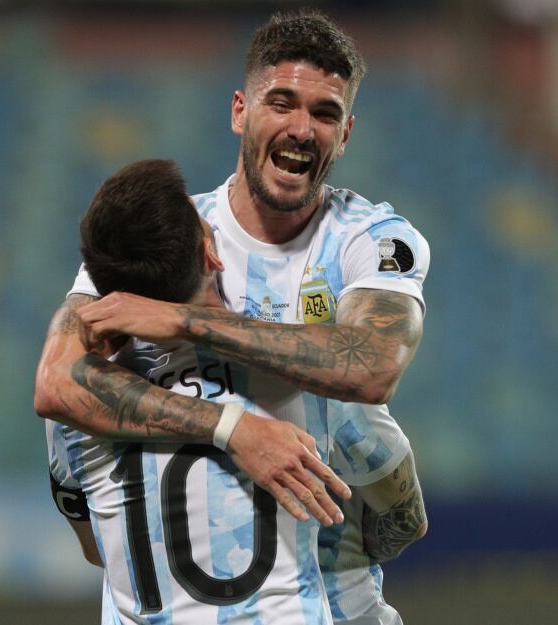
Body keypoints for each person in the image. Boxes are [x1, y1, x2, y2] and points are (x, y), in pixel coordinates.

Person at [37, 10, 429, 624]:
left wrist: (186, 322)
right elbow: (55, 381)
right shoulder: (162, 236)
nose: (302, 129)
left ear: (346, 132)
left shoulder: (370, 238)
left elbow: (374, 366)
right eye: (282, 103)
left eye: (324, 114)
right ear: (239, 111)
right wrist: (235, 431)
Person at [41, 158, 349, 624]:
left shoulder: (77, 401)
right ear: (210, 254)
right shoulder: (285, 364)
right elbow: (386, 496)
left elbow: (95, 547)